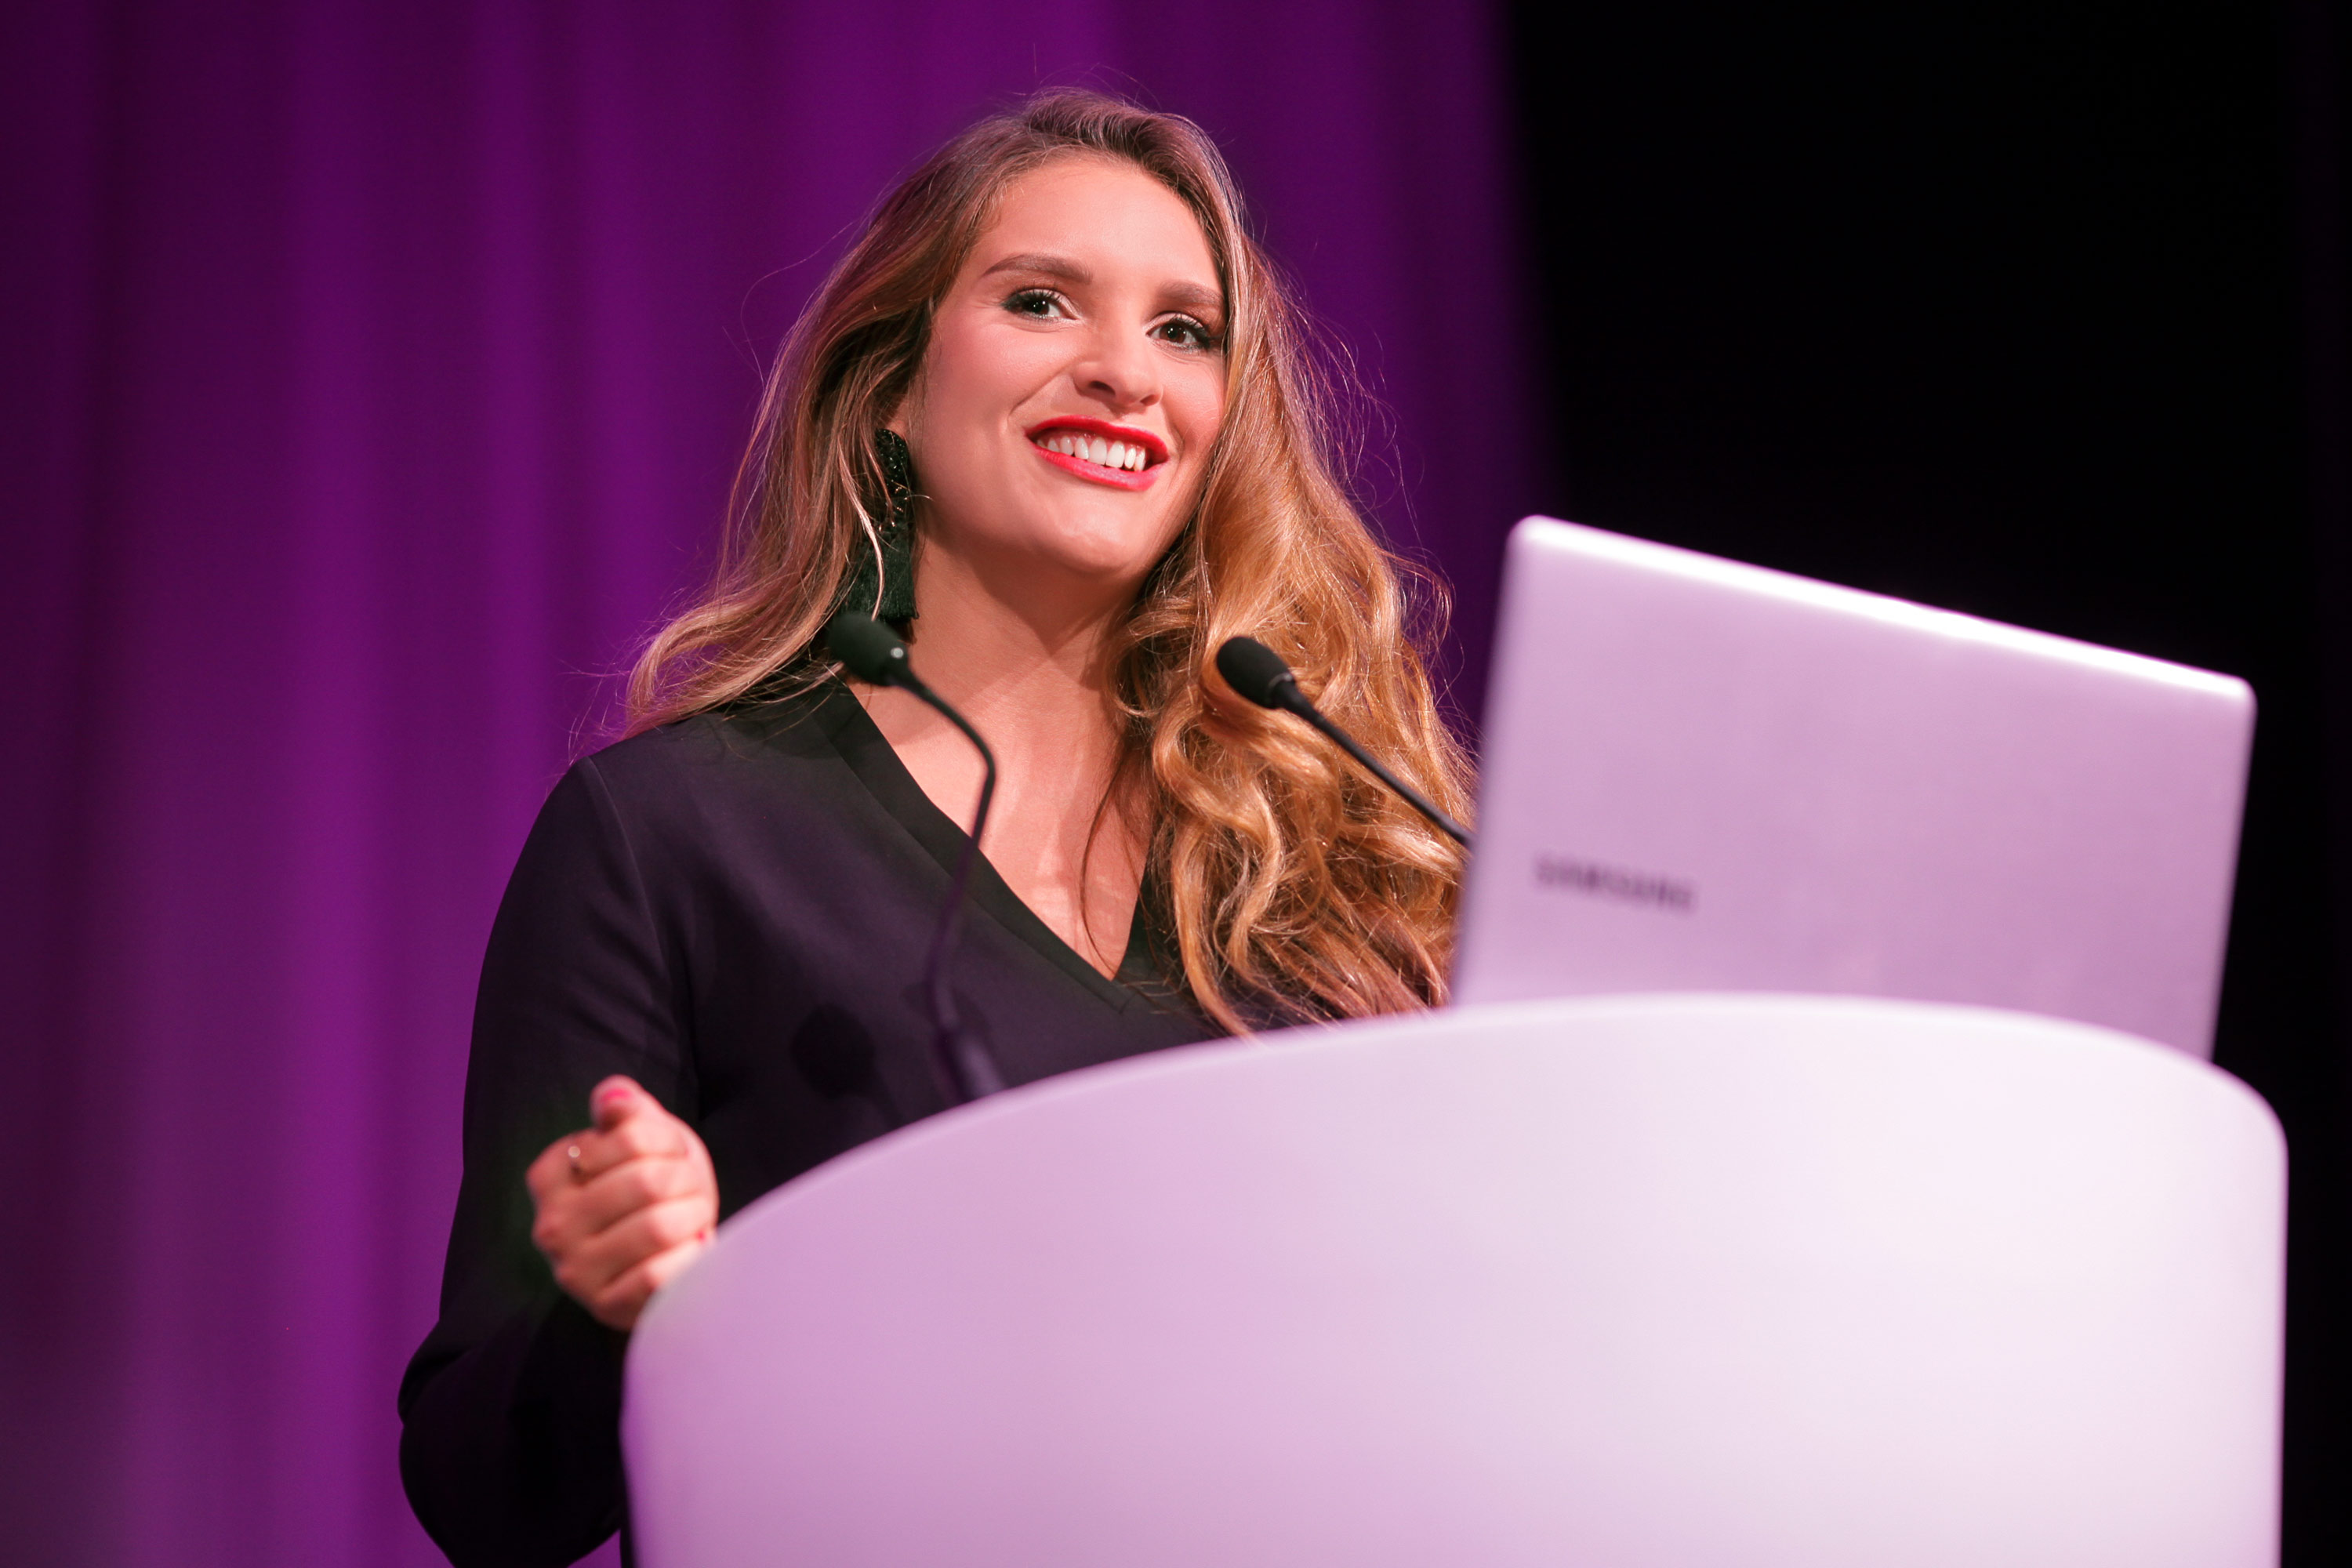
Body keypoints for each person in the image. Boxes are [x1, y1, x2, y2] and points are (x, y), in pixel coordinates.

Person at [397, 89, 1472, 1567]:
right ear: (894, 386)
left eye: (1185, 331)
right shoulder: (676, 837)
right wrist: (615, 1304)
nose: (1123, 373)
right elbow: (480, 1494)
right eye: (1041, 302)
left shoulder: (1332, 857)